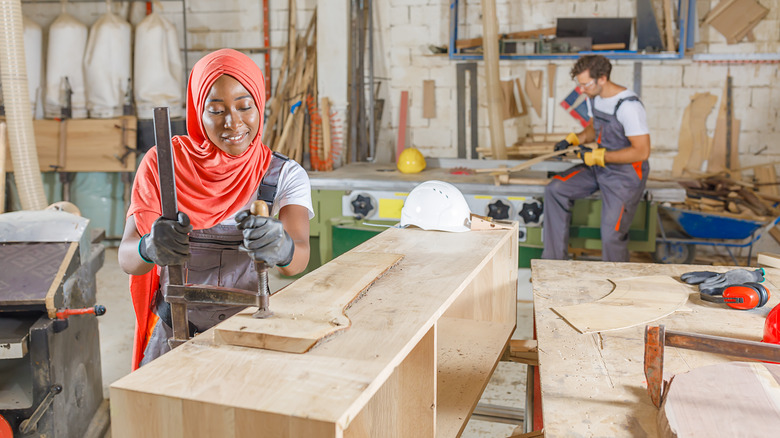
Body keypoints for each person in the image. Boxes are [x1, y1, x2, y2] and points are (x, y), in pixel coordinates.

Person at [118, 49, 313, 369]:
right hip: (173, 334)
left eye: (244, 106)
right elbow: (128, 259)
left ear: (260, 105)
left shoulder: (283, 175)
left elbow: (296, 263)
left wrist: (284, 247)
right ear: (197, 111)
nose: (233, 122)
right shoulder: (163, 164)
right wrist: (149, 247)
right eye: (216, 110)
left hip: (248, 335)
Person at [542, 55, 650, 262]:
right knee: (555, 189)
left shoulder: (629, 107)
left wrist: (600, 156)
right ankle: (553, 264)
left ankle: (616, 285)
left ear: (602, 78)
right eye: (579, 84)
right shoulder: (596, 97)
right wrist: (574, 139)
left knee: (611, 234)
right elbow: (593, 128)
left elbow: (642, 152)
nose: (581, 90)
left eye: (586, 84)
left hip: (626, 175)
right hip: (600, 167)